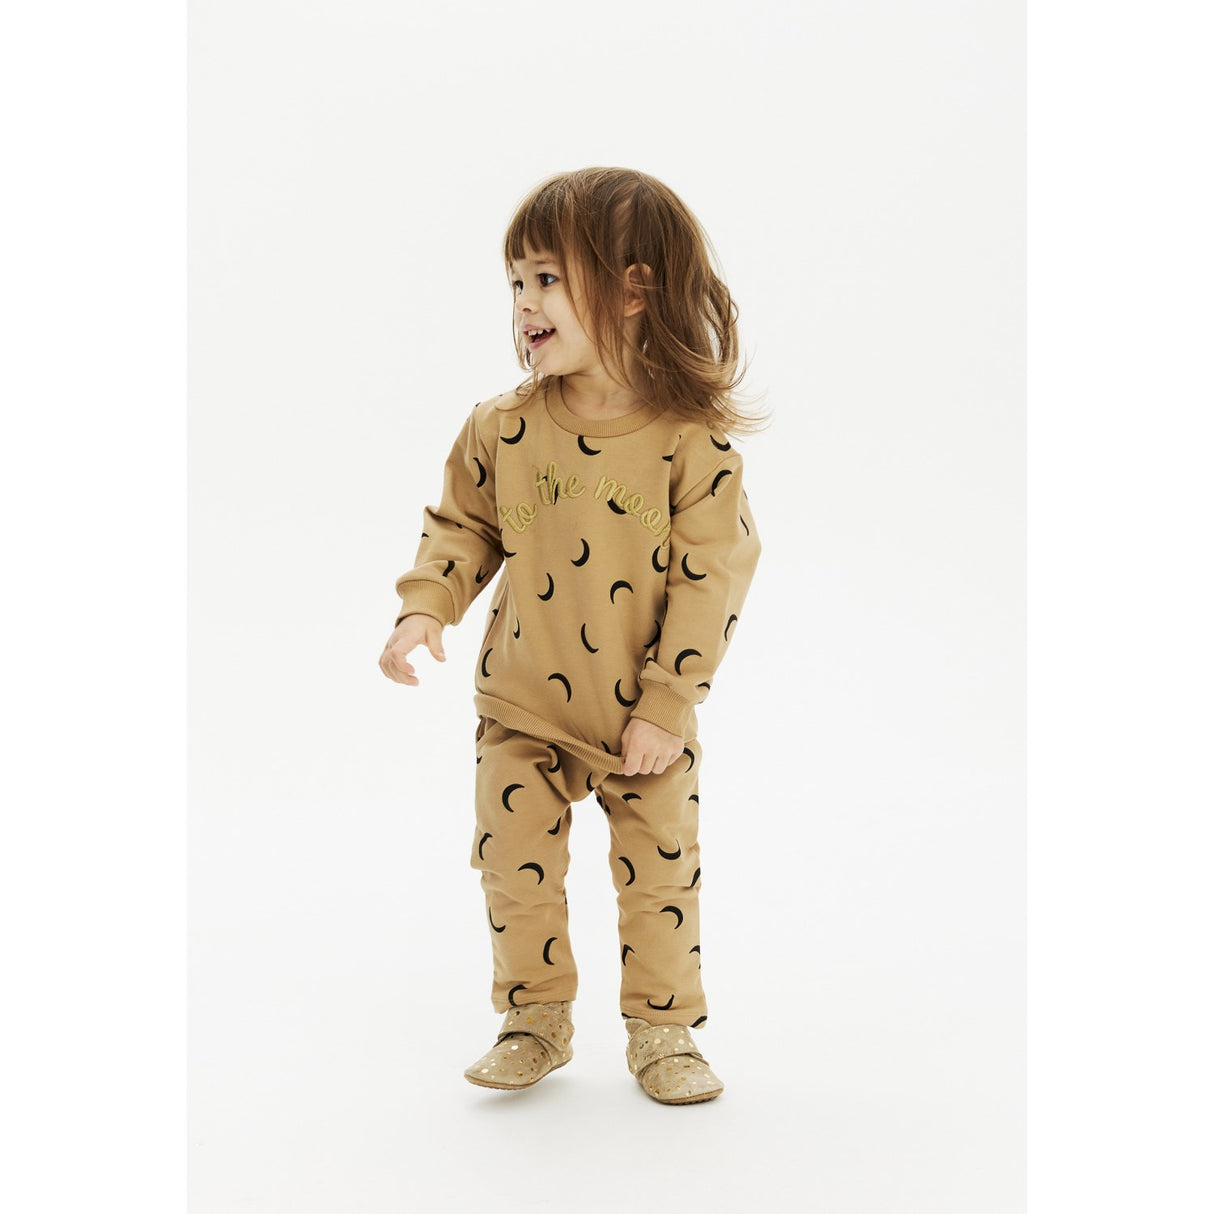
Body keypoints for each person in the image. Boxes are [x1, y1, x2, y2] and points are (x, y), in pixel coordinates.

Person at [379, 166, 768, 1105]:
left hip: (645, 722)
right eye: (516, 281)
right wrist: (426, 604)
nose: (524, 302)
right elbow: (462, 526)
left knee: (660, 881)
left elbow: (714, 577)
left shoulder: (689, 443)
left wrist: (667, 705)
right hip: (522, 705)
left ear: (632, 291)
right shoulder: (502, 427)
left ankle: (664, 1031)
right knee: (513, 869)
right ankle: (534, 1019)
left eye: (548, 279)